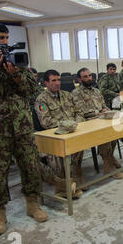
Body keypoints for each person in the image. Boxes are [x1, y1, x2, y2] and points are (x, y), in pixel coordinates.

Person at [0, 23, 48, 236]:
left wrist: (15, 75)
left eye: (6, 37)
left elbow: (32, 91)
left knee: (30, 167)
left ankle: (33, 205)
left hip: (22, 127)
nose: (5, 42)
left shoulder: (17, 60)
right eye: (0, 37)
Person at [35, 70, 84, 198]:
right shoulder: (41, 99)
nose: (57, 83)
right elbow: (46, 122)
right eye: (54, 80)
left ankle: (75, 175)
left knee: (81, 141)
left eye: (59, 80)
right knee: (56, 151)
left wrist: (77, 123)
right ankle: (61, 187)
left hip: (73, 131)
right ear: (46, 83)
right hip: (55, 134)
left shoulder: (67, 95)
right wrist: (66, 126)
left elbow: (78, 112)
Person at [71, 68, 123, 179]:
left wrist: (106, 110)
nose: (89, 78)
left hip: (101, 118)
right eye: (85, 76)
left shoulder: (96, 91)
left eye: (90, 75)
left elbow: (104, 106)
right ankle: (108, 164)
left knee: (115, 128)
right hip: (88, 121)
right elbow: (81, 111)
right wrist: (98, 113)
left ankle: (109, 158)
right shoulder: (76, 93)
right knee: (104, 131)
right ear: (79, 79)